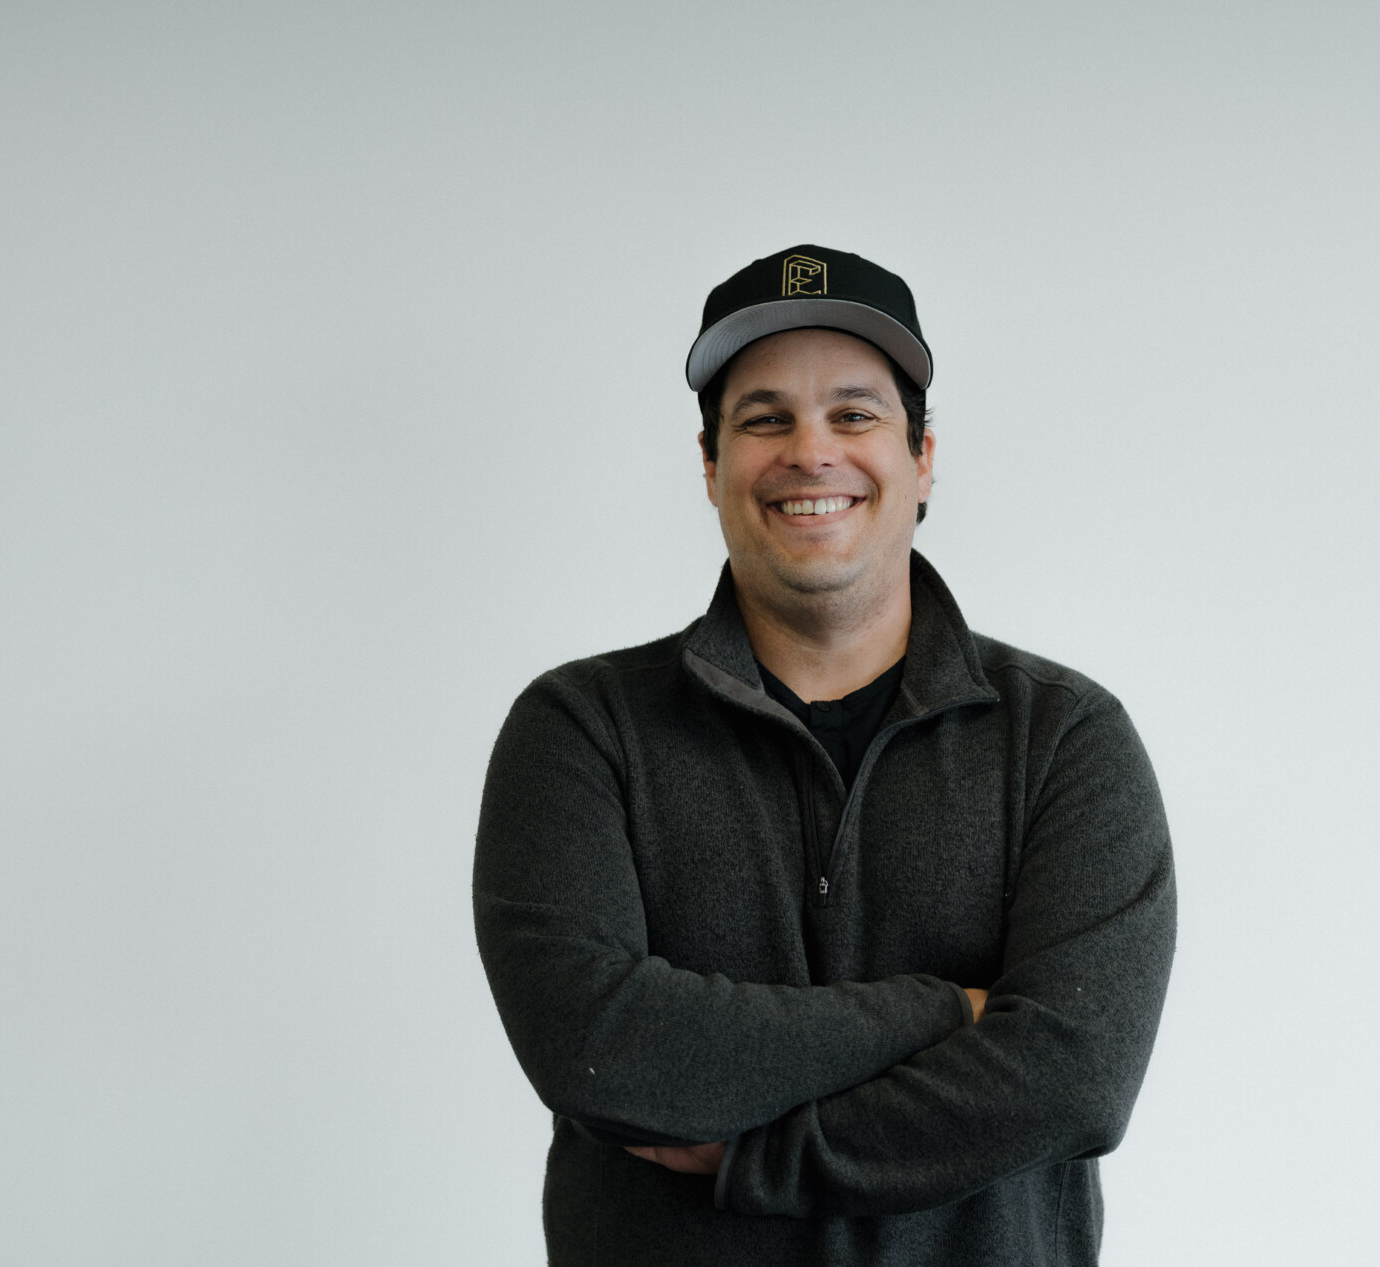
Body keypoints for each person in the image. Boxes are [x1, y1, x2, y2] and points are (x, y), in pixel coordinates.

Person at [474, 244, 1175, 1265]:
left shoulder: (1063, 738)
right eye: (765, 419)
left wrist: (754, 1158)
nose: (811, 452)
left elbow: (1076, 1078)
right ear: (710, 464)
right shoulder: (583, 729)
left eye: (853, 414)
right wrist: (948, 1010)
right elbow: (599, 1053)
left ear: (921, 457)